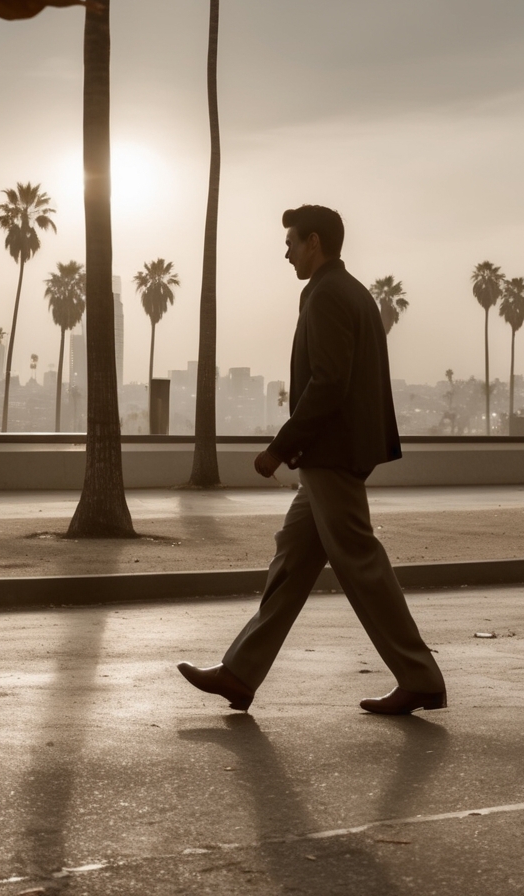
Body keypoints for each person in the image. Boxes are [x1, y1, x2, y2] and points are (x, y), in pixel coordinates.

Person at [177, 204, 447, 716]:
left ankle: (420, 675)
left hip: (330, 454)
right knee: (293, 559)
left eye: (291, 242)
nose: (286, 252)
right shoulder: (354, 293)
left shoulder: (326, 296)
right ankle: (239, 673)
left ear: (314, 243)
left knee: (361, 564)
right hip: (338, 452)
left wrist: (280, 447)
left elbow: (329, 383)